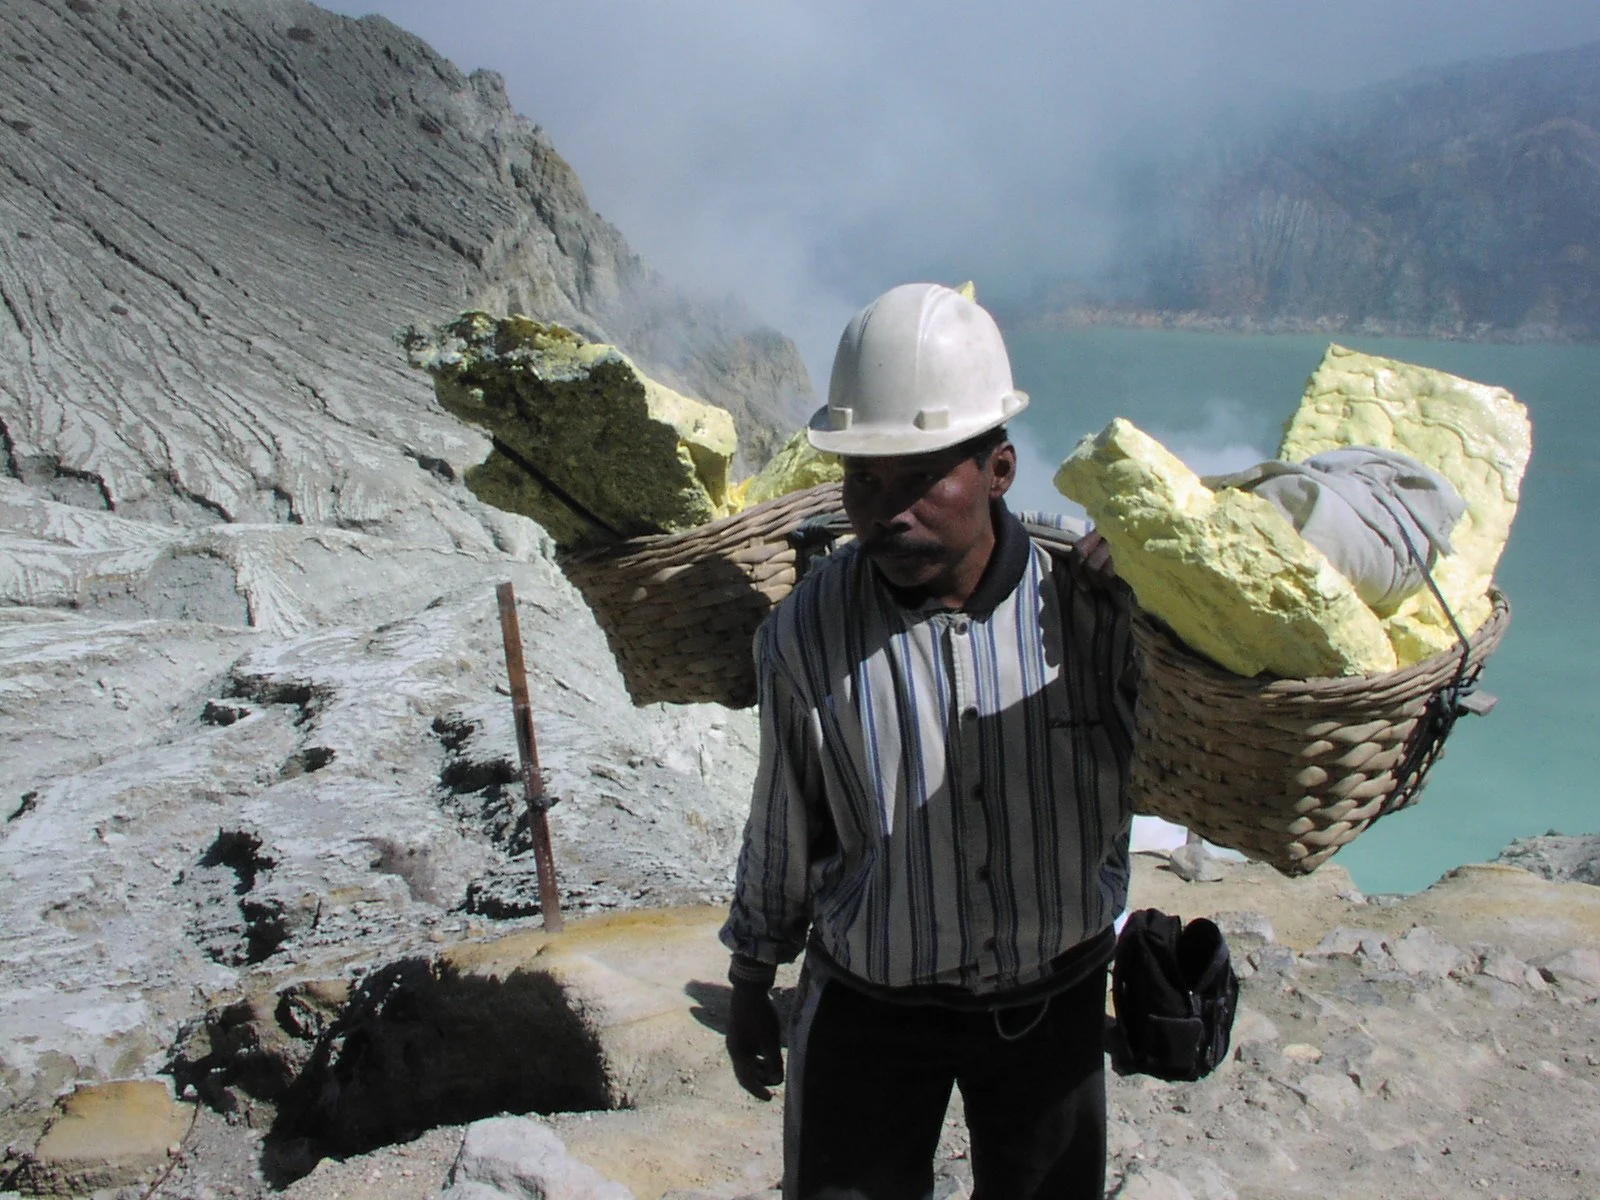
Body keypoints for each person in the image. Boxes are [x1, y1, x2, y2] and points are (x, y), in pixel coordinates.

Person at [719, 282, 1138, 1199]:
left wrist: (1165, 610)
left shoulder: (1092, 606)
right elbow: (785, 815)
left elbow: (1187, 752)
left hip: (1052, 997)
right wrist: (753, 974)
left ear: (999, 469)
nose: (887, 509)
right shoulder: (806, 632)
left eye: (920, 478)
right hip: (872, 1005)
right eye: (864, 479)